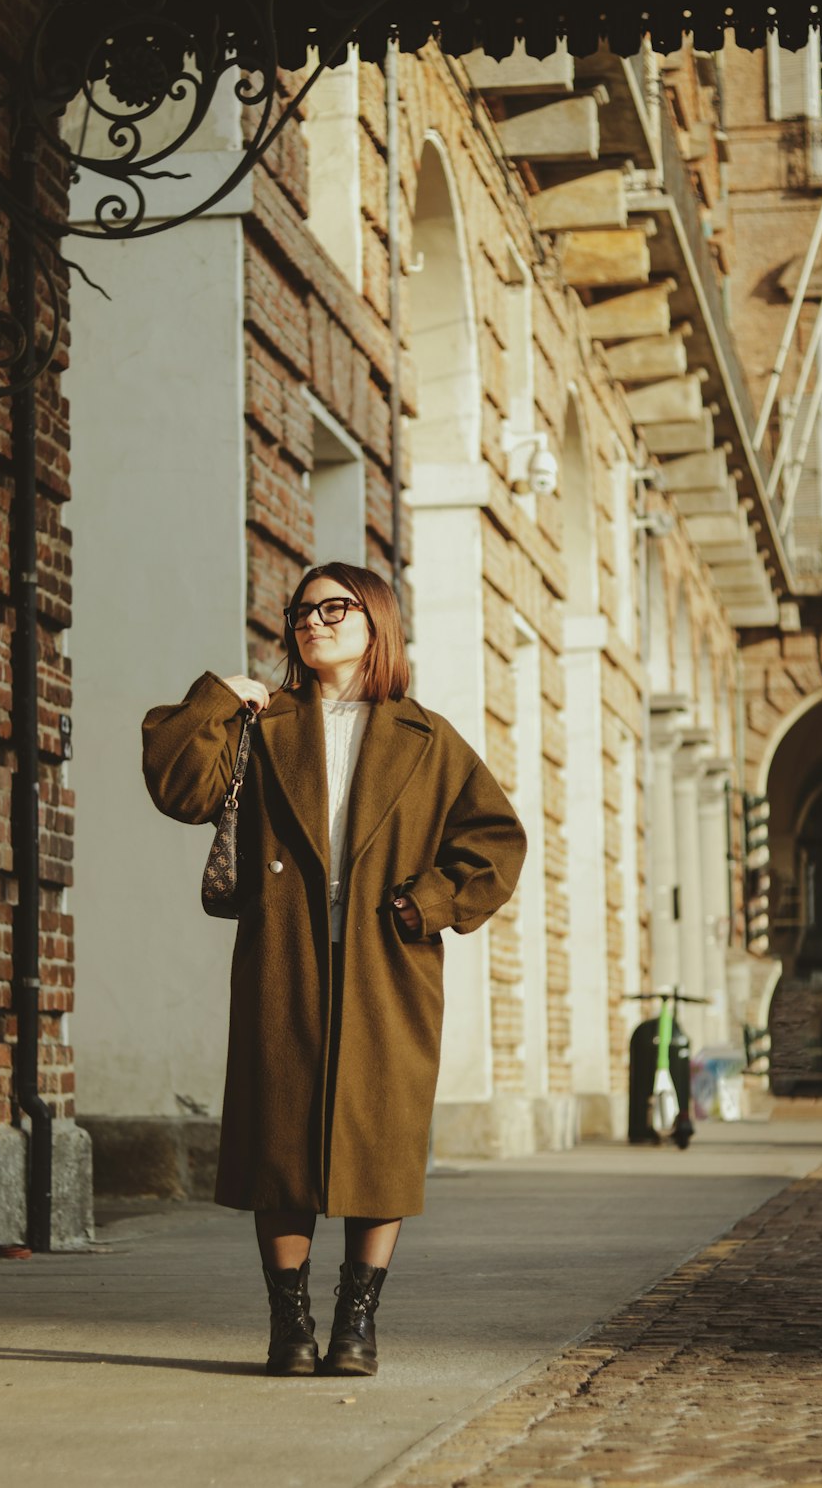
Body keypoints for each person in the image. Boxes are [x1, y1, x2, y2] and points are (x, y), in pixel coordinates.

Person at [141, 562, 526, 1377]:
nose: (312, 622)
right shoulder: (261, 721)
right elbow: (176, 786)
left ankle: (358, 1320)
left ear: (375, 619)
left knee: (379, 1140)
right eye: (301, 612)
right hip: (284, 959)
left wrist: (425, 905)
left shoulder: (427, 738)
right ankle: (290, 1324)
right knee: (280, 1142)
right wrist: (221, 697)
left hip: (389, 964)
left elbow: (495, 842)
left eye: (333, 608)